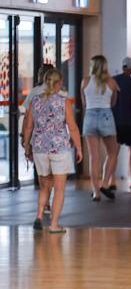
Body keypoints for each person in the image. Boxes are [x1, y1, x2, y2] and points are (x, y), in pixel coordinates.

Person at [23, 69, 83, 232]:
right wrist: (79, 148)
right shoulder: (63, 102)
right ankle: (54, 224)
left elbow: (28, 127)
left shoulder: (34, 101)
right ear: (57, 84)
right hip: (59, 148)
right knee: (59, 188)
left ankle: (39, 216)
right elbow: (72, 127)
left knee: (44, 186)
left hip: (40, 148)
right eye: (61, 82)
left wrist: (26, 145)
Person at [81, 55, 119, 201]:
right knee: (112, 152)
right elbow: (114, 102)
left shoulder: (85, 81)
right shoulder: (111, 82)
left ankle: (96, 192)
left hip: (90, 116)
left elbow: (84, 103)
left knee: (94, 157)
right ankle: (104, 183)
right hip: (106, 115)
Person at [22, 63, 56, 215]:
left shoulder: (34, 92)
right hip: (56, 137)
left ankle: (46, 201)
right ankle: (48, 199)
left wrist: (25, 138)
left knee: (43, 173)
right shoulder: (59, 91)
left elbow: (27, 119)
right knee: (52, 171)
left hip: (38, 137)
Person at [112, 56, 131, 188]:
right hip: (129, 121)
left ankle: (110, 180)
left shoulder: (113, 81)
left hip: (115, 120)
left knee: (113, 152)